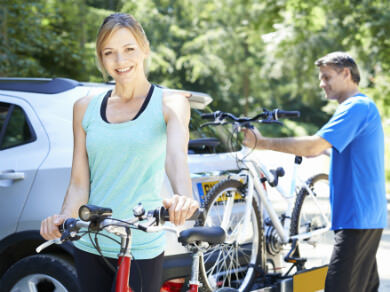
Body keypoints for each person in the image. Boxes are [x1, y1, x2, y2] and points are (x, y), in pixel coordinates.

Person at [40, 12, 199, 292]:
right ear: (101, 58)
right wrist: (63, 217)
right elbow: (79, 182)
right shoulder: (84, 108)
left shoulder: (170, 103)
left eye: (129, 50)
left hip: (140, 243)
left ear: (145, 49)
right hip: (93, 240)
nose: (121, 61)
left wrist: (184, 200)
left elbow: (176, 161)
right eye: (109, 52)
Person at [243, 51, 387, 292]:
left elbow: (313, 145)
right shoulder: (361, 107)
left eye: (327, 77)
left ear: (346, 73)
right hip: (365, 216)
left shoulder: (356, 107)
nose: (322, 83)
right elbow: (321, 149)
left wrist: (262, 142)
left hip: (358, 218)